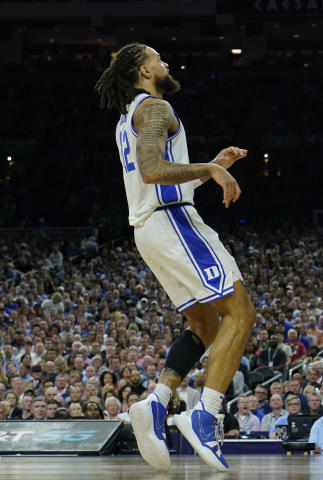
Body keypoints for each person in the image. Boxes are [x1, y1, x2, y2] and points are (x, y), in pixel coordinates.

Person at [94, 42, 254, 472]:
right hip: (173, 224)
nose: (166, 64)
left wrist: (209, 165)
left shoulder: (128, 116)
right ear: (144, 70)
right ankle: (206, 414)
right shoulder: (155, 109)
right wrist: (209, 169)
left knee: (203, 323)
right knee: (239, 313)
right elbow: (151, 169)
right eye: (159, 59)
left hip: (151, 228)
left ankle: (158, 401)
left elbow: (159, 178)